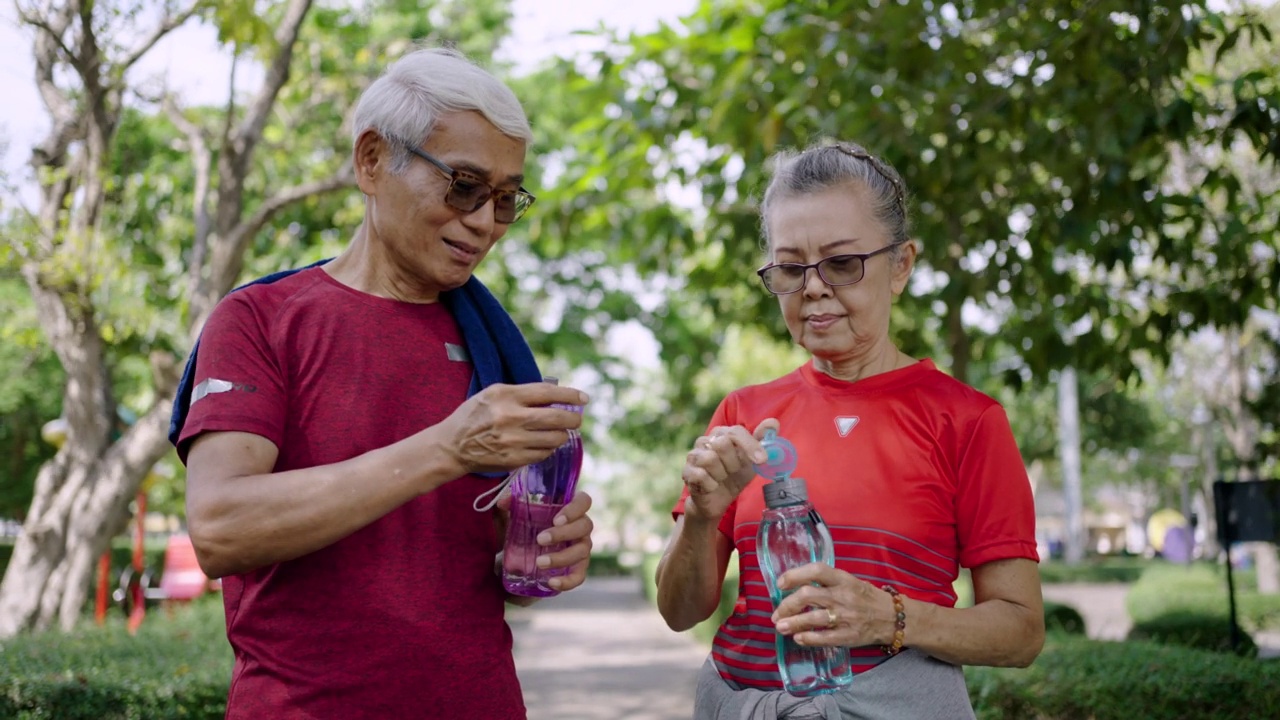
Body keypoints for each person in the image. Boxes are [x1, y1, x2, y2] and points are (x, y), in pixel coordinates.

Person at [170, 48, 594, 720]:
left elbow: (477, 575)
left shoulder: (493, 345)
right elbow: (222, 528)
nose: (485, 221)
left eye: (506, 199)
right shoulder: (260, 320)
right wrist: (446, 451)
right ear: (372, 161)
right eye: (463, 186)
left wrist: (540, 551)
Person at [655, 142, 1044, 719]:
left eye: (842, 263)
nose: (813, 288)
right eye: (791, 268)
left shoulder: (966, 421)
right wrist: (703, 518)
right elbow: (680, 612)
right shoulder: (744, 414)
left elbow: (1020, 631)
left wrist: (888, 618)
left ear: (901, 264)